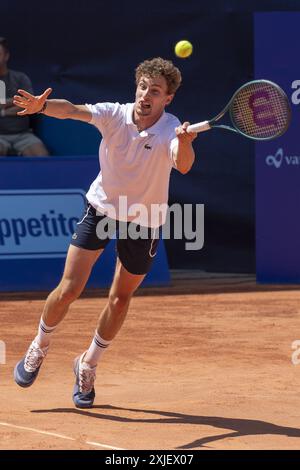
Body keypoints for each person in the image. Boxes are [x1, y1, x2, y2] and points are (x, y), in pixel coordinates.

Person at [13, 57, 197, 408]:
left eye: (155, 91)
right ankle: (38, 346)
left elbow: (183, 164)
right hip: (101, 210)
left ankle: (88, 364)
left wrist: (185, 141)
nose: (146, 95)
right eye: (143, 86)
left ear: (168, 98)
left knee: (119, 298)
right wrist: (43, 106)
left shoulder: (171, 130)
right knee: (69, 289)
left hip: (145, 221)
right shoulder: (115, 113)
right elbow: (73, 111)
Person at [0, 37, 49, 156]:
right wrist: (15, 101)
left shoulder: (20, 78)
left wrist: (3, 111)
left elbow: (30, 104)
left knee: (41, 156)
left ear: (6, 56)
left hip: (23, 135)